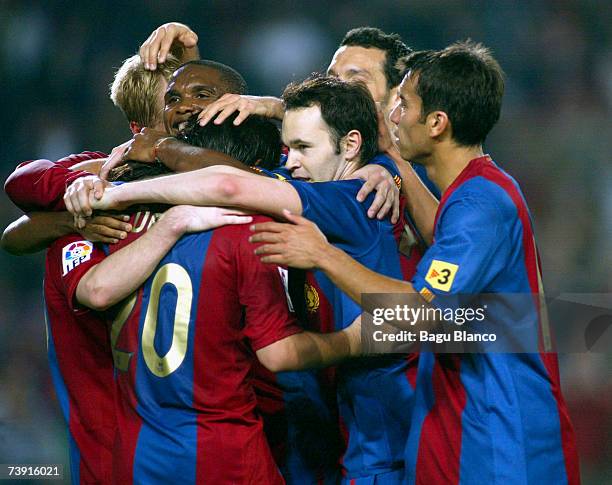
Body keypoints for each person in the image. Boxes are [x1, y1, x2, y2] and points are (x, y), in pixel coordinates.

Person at [248, 42, 581, 485]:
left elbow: (421, 316)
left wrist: (323, 255)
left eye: (403, 103)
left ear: (438, 124)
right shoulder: (471, 194)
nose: (392, 114)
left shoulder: (479, 206)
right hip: (465, 425)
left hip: (503, 440)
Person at [67, 76, 417, 484]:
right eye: (289, 147)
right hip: (343, 437)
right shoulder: (319, 194)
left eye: (303, 148)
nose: (289, 162)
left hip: (382, 446)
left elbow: (229, 182)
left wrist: (113, 193)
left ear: (352, 145)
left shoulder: (353, 199)